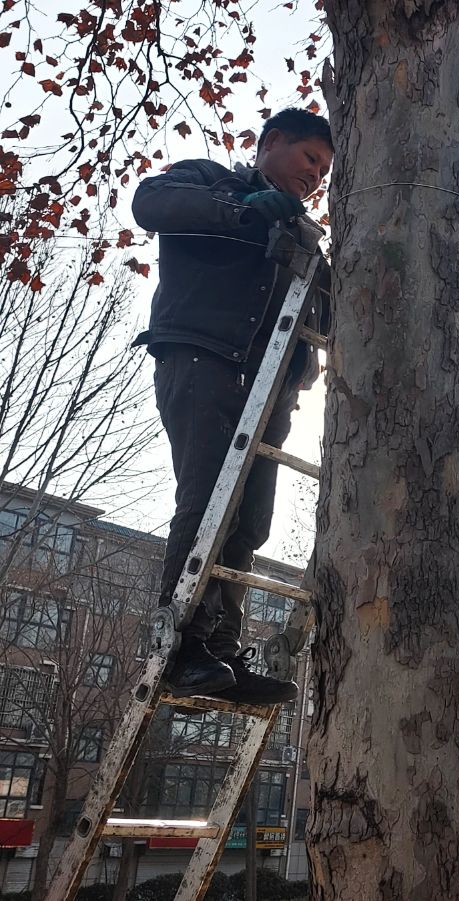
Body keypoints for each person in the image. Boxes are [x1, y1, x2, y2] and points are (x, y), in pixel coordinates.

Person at [131, 108, 333, 704]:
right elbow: (152, 204)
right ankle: (179, 648)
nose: (314, 177)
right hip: (204, 362)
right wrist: (243, 211)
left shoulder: (301, 232)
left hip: (270, 392)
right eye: (309, 159)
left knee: (250, 521)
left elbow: (328, 311)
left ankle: (220, 650)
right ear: (272, 142)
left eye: (323, 171)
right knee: (207, 501)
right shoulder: (208, 181)